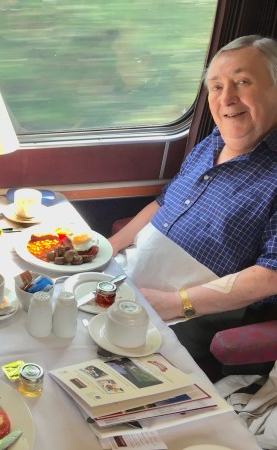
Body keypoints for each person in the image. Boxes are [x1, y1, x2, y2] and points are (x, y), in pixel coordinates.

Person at [109, 35, 277, 368]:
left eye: (242, 82)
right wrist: (106, 248)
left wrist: (175, 303)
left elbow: (271, 275)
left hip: (189, 317)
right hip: (128, 277)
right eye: (216, 87)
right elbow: (163, 203)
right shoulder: (210, 144)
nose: (226, 98)